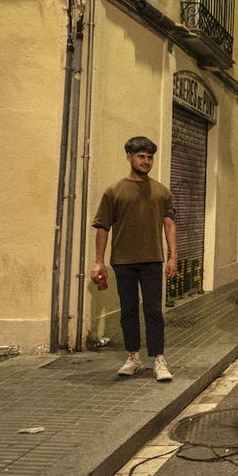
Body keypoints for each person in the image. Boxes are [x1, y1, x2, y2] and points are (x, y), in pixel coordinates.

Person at [91, 136, 178, 382]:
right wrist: (99, 261)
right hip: (123, 261)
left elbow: (169, 225)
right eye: (141, 156)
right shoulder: (114, 191)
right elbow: (102, 227)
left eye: (150, 157)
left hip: (152, 259)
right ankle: (133, 357)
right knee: (128, 311)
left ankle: (159, 359)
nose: (146, 161)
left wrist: (173, 256)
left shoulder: (161, 191)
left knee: (153, 311)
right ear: (129, 157)